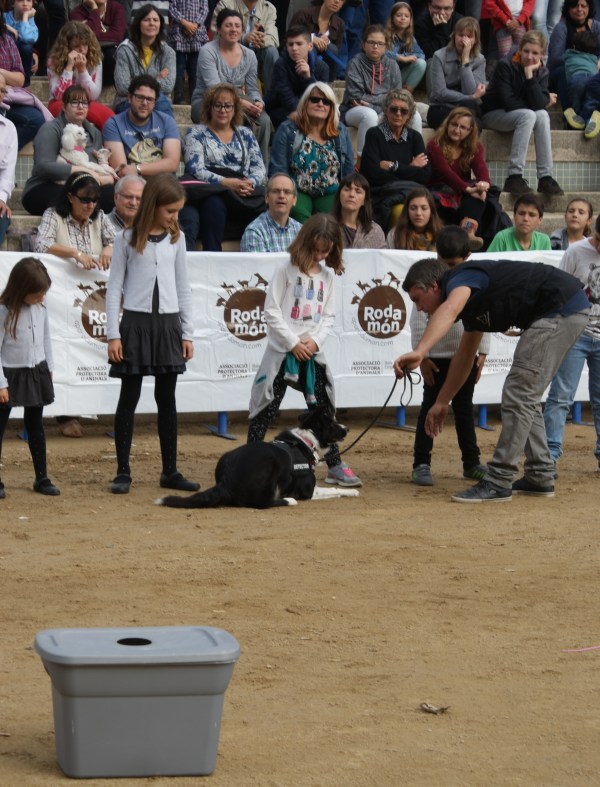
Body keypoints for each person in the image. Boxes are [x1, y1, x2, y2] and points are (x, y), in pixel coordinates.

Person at [393, 256, 590, 502]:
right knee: (524, 394)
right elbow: (465, 356)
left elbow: (450, 308)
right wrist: (442, 402)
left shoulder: (460, 278)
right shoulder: (470, 305)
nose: (419, 308)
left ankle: (499, 480)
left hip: (559, 308)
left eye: (417, 299)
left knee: (519, 393)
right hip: (563, 308)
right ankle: (540, 474)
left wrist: (420, 351)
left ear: (434, 286)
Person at [247, 213, 362, 488]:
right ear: (304, 242)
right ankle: (251, 460)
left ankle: (334, 465)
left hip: (311, 354)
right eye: (316, 249)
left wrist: (314, 342)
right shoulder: (285, 270)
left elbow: (329, 315)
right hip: (282, 354)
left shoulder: (328, 275)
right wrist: (292, 343)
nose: (320, 255)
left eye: (326, 250)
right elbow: (271, 311)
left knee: (323, 409)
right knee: (266, 407)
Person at [106, 173, 199, 496]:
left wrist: (187, 332)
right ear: (154, 206)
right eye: (170, 210)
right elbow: (114, 286)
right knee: (128, 398)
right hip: (135, 323)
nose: (175, 217)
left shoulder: (178, 239)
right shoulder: (127, 238)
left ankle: (170, 470)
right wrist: (112, 334)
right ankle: (122, 471)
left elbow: (184, 287)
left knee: (167, 400)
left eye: (177, 211)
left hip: (168, 325)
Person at [409, 226, 489, 486]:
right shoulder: (431, 281)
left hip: (463, 357)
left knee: (464, 410)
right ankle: (421, 463)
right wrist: (422, 356)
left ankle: (472, 463)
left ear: (467, 256)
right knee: (428, 410)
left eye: (454, 263)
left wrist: (483, 352)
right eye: (445, 262)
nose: (450, 268)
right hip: (435, 359)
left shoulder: (474, 279)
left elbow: (482, 318)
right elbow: (419, 318)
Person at [543, 214, 600, 473]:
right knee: (560, 396)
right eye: (599, 240)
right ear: (594, 233)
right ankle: (549, 455)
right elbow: (559, 289)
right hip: (575, 332)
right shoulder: (577, 251)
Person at [181, 82, 266, 251]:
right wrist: (226, 183)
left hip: (242, 191)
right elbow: (195, 168)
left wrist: (249, 183)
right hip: (211, 190)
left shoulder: (246, 134)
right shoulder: (196, 133)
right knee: (214, 202)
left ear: (235, 109)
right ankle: (213, 254)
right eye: (217, 105)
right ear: (209, 107)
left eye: (228, 106)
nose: (223, 110)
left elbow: (259, 168)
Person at [0, 258, 59, 499]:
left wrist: (49, 368)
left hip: (36, 371)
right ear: (22, 289)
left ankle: (42, 477)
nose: (41, 299)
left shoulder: (40, 308)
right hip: (9, 374)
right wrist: (1, 383)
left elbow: (46, 338)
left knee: (35, 425)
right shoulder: (3, 311)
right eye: (37, 294)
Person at [481, 31, 564, 197]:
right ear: (519, 49)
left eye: (535, 53)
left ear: (542, 54)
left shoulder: (542, 72)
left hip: (520, 116)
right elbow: (508, 102)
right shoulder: (505, 65)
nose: (529, 56)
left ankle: (545, 177)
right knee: (530, 114)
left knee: (542, 115)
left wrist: (529, 76)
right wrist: (540, 100)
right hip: (494, 114)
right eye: (526, 51)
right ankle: (514, 176)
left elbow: (540, 106)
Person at [22, 84, 116, 216]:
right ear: (64, 106)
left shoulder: (94, 133)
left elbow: (98, 170)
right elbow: (43, 168)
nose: (80, 106)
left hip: (83, 188)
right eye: (74, 102)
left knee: (109, 194)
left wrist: (107, 178)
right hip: (46, 186)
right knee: (73, 200)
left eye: (84, 103)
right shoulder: (51, 129)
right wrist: (82, 170)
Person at [191, 9, 271, 162]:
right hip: (207, 101)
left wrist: (258, 102)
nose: (233, 29)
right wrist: (240, 104)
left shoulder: (250, 55)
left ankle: (259, 168)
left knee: (265, 121)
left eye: (237, 26)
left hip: (239, 101)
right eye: (228, 25)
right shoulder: (207, 51)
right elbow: (215, 88)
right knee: (230, 116)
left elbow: (253, 88)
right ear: (219, 29)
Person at [269, 82, 354, 224]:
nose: (320, 104)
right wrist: (283, 191)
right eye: (315, 99)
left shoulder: (340, 131)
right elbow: (278, 168)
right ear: (305, 103)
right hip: (298, 190)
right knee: (299, 215)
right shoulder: (288, 129)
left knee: (330, 222)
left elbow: (348, 169)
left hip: (330, 191)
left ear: (331, 108)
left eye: (326, 102)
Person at [341, 24, 422, 166]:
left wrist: (374, 104)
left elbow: (397, 97)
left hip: (384, 110)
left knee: (414, 116)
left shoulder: (392, 65)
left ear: (386, 47)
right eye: (371, 42)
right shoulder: (355, 63)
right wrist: (385, 100)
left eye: (380, 43)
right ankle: (362, 162)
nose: (375, 47)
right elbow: (357, 97)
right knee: (369, 115)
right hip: (353, 109)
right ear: (363, 44)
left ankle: (417, 159)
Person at [359, 88, 431, 231]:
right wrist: (411, 168)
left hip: (408, 194)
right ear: (386, 110)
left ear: (409, 114)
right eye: (394, 109)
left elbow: (425, 174)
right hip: (380, 194)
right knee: (401, 213)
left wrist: (394, 166)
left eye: (403, 111)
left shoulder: (414, 137)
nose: (398, 114)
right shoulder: (374, 134)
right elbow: (371, 174)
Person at [426, 107, 493, 251]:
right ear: (447, 125)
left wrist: (483, 184)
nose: (457, 130)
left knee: (480, 195)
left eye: (463, 127)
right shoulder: (435, 144)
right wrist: (468, 189)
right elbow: (445, 173)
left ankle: (467, 232)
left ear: (470, 131)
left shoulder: (475, 147)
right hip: (439, 187)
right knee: (446, 201)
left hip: (461, 189)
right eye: (454, 125)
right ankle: (440, 241)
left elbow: (481, 167)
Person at [102, 75, 182, 180]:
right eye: (140, 97)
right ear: (129, 98)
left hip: (163, 184)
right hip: (132, 185)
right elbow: (122, 170)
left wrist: (137, 169)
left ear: (155, 102)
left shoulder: (167, 121)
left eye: (149, 99)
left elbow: (172, 163)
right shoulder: (114, 124)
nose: (144, 103)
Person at [35, 172, 115, 269]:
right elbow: (41, 244)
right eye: (85, 200)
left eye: (94, 201)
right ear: (70, 197)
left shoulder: (100, 217)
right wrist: (76, 253)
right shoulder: (53, 215)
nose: (91, 206)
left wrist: (110, 247)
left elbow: (117, 242)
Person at [47, 21, 114, 131]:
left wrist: (82, 70)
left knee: (109, 117)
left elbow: (93, 95)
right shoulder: (54, 61)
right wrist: (69, 68)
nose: (82, 50)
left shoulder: (95, 60)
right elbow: (58, 96)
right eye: (76, 46)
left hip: (85, 102)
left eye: (85, 45)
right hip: (60, 103)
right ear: (67, 47)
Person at [113, 3, 176, 115]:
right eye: (147, 20)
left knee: (160, 102)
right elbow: (122, 86)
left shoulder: (168, 52)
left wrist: (135, 81)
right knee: (159, 101)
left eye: (155, 20)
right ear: (138, 24)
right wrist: (157, 79)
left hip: (158, 100)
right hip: (127, 101)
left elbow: (169, 85)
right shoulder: (125, 50)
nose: (152, 23)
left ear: (160, 25)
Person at [426, 16, 486, 130]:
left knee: (475, 122)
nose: (463, 40)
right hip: (441, 107)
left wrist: (465, 61)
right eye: (461, 35)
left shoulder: (480, 60)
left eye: (469, 36)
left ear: (475, 40)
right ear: (454, 36)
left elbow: (471, 90)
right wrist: (470, 97)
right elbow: (440, 92)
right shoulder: (439, 56)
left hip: (468, 108)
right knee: (470, 122)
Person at [264, 24, 330, 128]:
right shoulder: (280, 64)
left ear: (310, 46)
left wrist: (309, 78)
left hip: (309, 110)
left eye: (299, 44)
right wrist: (305, 114)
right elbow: (287, 99)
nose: (294, 48)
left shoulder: (322, 68)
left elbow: (323, 99)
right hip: (280, 109)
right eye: (290, 44)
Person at [0, 6, 47, 150]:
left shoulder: (7, 41)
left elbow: (20, 79)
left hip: (8, 98)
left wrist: (1, 72)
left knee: (35, 118)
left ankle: (4, 155)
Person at [211, 0, 279, 95]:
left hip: (258, 56)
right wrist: (244, 38)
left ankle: (273, 100)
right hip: (232, 56)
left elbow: (273, 39)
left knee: (271, 52)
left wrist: (256, 38)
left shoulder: (268, 8)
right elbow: (217, 35)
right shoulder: (225, 4)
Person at [548, 0, 600, 113]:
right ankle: (570, 114)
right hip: (563, 72)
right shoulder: (561, 28)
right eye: (575, 6)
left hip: (592, 70)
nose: (579, 9)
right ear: (568, 8)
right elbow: (555, 59)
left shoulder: (596, 26)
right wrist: (579, 61)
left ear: (589, 8)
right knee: (563, 72)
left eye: (583, 6)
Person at [69, 0, 127, 87]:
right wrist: (94, 8)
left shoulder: (117, 8)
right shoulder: (77, 13)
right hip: (86, 55)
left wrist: (92, 33)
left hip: (109, 56)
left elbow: (117, 36)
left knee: (111, 54)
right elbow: (85, 37)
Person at [240, 173, 302, 252]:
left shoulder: (301, 231)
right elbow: (259, 265)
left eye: (287, 192)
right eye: (276, 191)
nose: (281, 196)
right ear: (266, 198)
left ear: (294, 200)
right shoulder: (254, 232)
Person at [290, 0, 347, 80]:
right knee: (310, 48)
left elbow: (337, 49)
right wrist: (310, 38)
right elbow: (290, 37)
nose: (337, 1)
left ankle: (329, 84)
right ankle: (306, 80)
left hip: (325, 65)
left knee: (333, 49)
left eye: (341, 0)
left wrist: (327, 42)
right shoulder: (303, 14)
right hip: (298, 62)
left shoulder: (339, 23)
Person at [167, 0, 209, 104]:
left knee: (195, 69)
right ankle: (178, 96)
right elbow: (172, 8)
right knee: (178, 67)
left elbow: (204, 10)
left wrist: (195, 25)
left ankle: (195, 98)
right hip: (179, 31)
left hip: (197, 33)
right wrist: (184, 23)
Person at [331, 172, 386, 249]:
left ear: (364, 200)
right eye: (347, 189)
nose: (352, 194)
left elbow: (381, 259)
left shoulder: (375, 231)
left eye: (358, 191)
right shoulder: (326, 226)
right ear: (339, 195)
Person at [384, 2, 426, 93]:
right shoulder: (385, 35)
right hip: (385, 77)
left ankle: (406, 93)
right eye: (399, 15)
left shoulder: (410, 38)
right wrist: (401, 58)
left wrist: (407, 56)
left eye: (406, 16)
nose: (403, 18)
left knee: (421, 63)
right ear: (392, 18)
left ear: (410, 19)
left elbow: (421, 54)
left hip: (401, 75)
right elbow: (381, 53)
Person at [5, 0, 39, 87]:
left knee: (26, 47)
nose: (25, 4)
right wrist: (6, 27)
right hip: (5, 57)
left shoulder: (31, 22)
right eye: (20, 0)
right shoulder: (4, 16)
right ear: (13, 3)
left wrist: (25, 17)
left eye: (28, 1)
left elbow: (26, 38)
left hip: (22, 61)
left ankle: (25, 84)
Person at [0, 76, 17, 247]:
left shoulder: (9, 128)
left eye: (2, 90)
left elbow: (7, 170)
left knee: (1, 216)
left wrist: (1, 198)